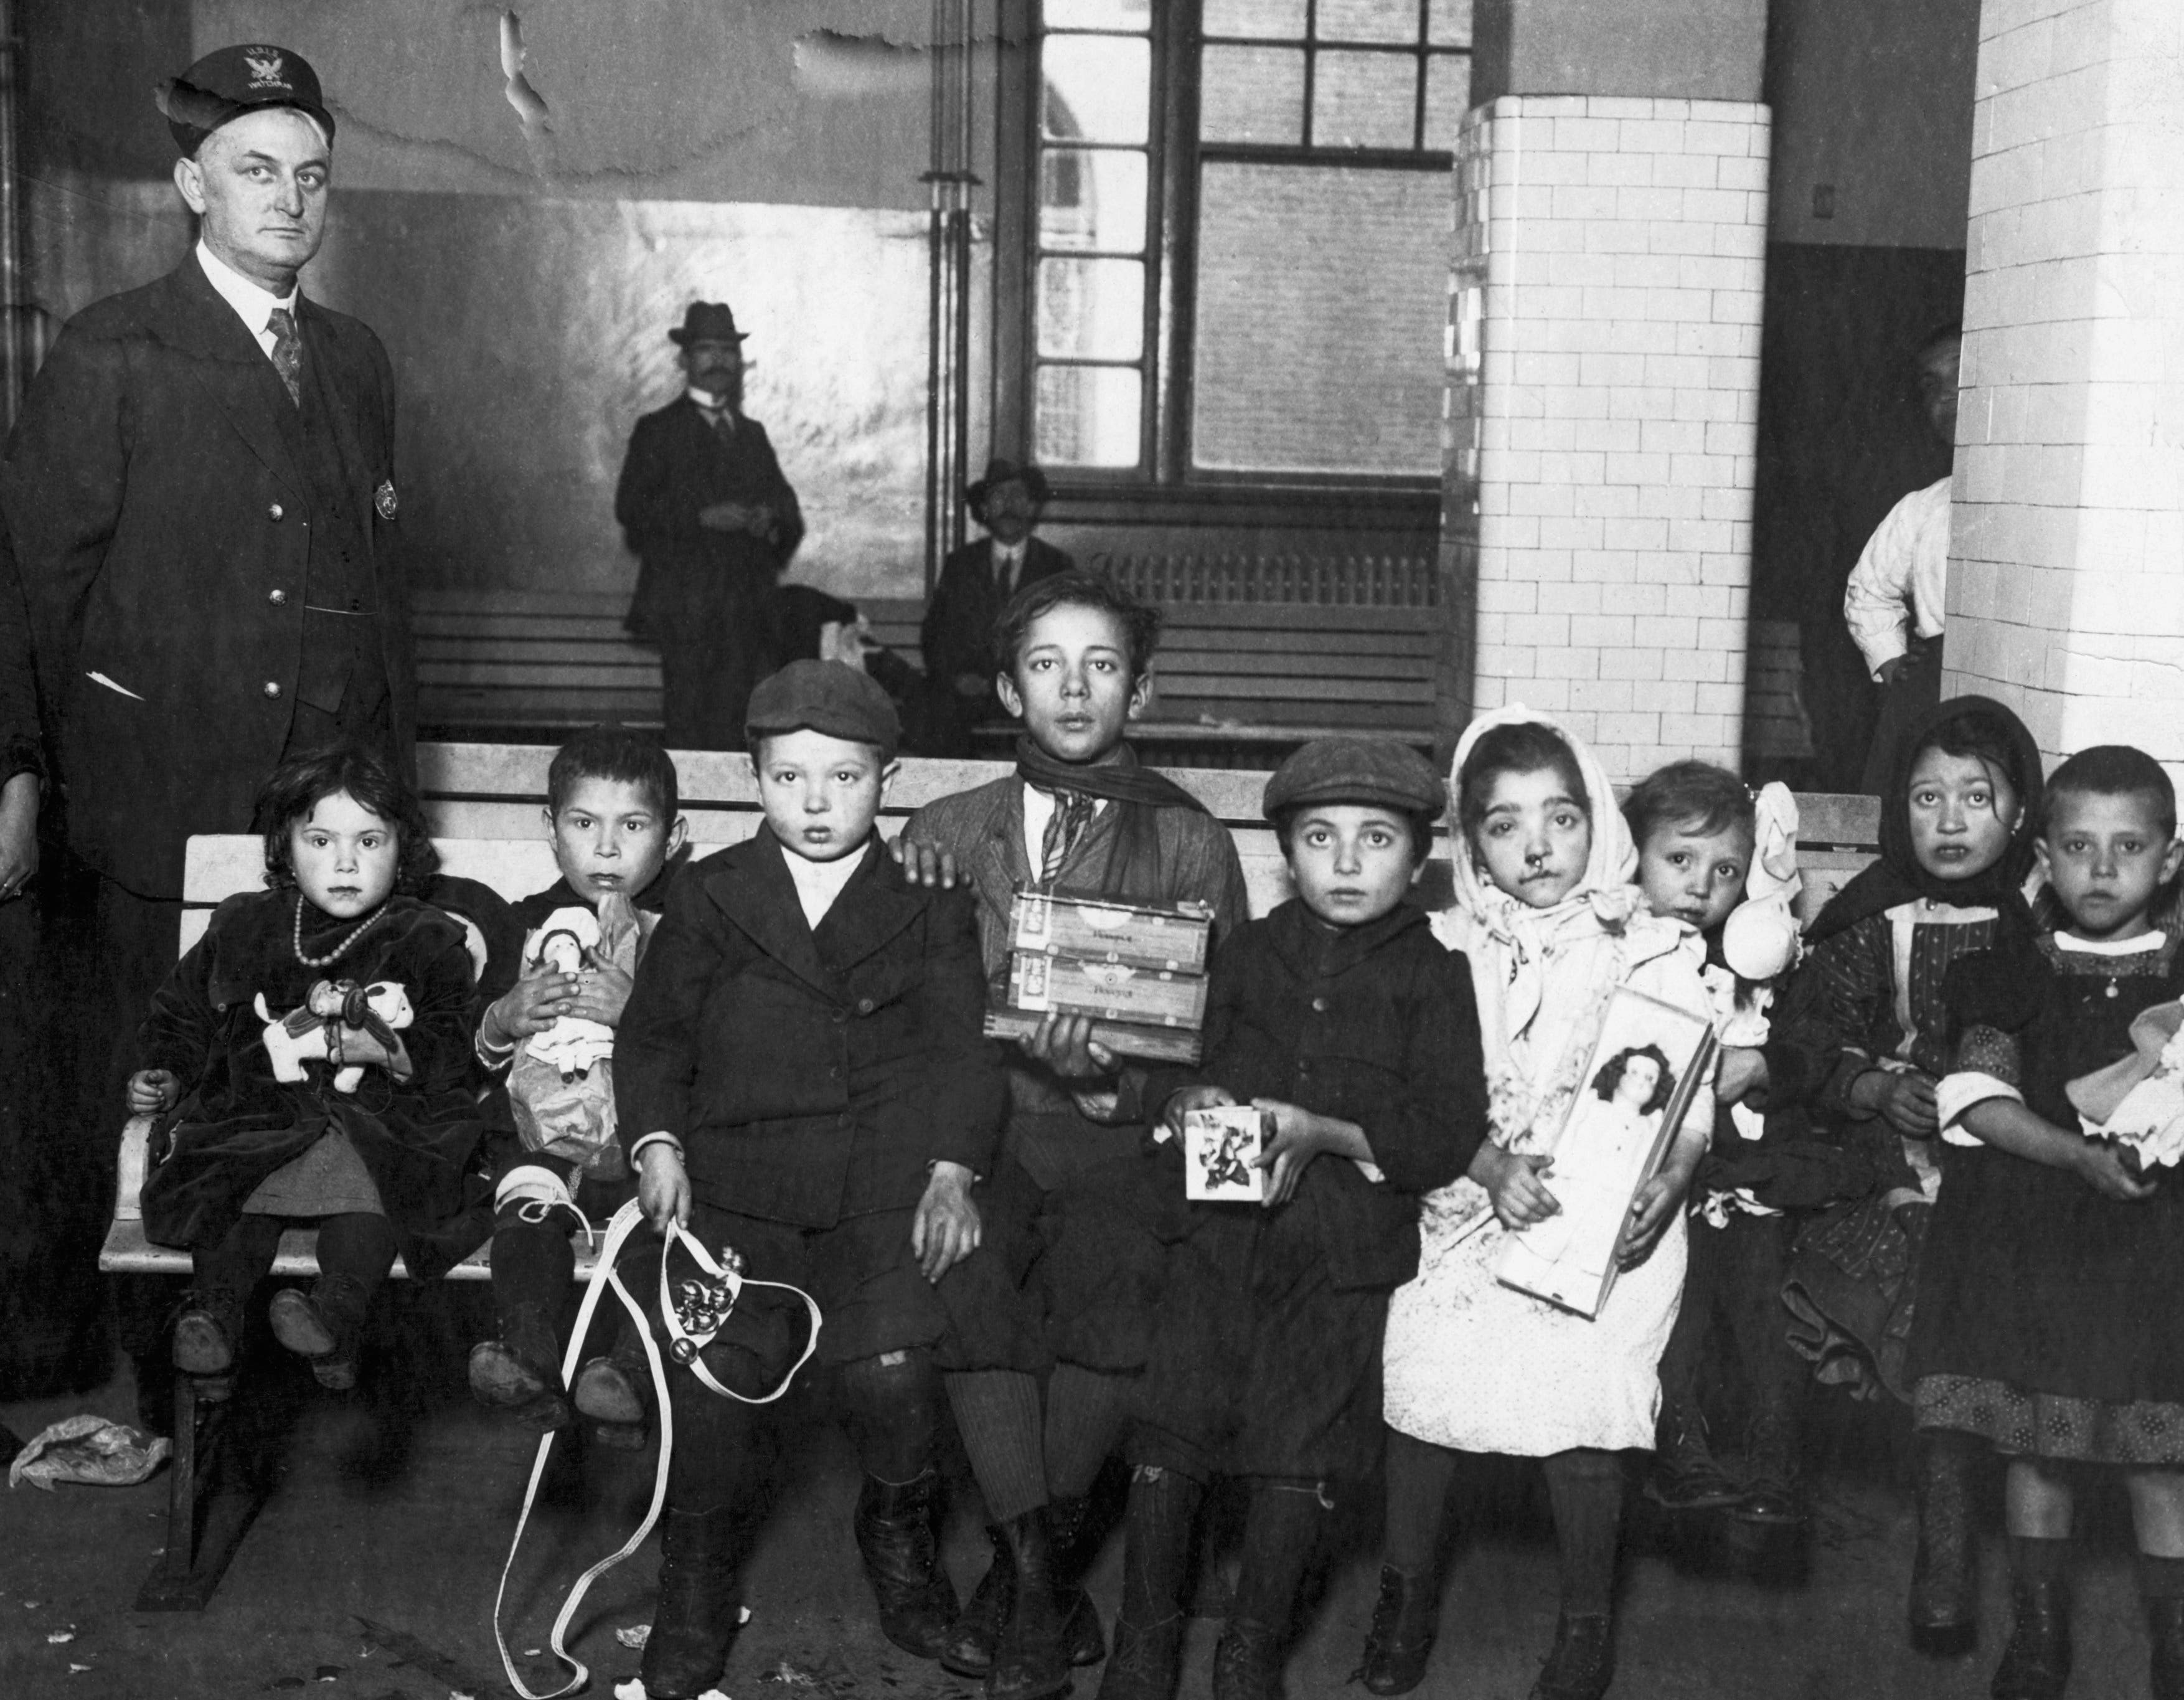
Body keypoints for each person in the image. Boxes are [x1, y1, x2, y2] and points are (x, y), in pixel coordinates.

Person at [614, 661, 1017, 1700]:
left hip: (879, 1193)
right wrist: (656, 1146)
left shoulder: (927, 898)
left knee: (894, 1377)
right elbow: (653, 1042)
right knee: (711, 1392)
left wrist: (951, 1172)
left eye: (844, 778)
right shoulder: (709, 897)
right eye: (789, 778)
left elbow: (963, 1053)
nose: (816, 802)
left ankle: (897, 1540)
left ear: (888, 778)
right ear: (752, 779)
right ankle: (694, 1578)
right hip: (735, 1195)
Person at [899, 572, 1249, 1699]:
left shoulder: (1189, 841)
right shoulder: (943, 834)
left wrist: (1118, 1084)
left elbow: (1223, 1037)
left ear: (1137, 690)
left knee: (1110, 1303)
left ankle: (1017, 1587)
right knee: (969, 1281)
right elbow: (913, 1014)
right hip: (983, 1136)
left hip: (1118, 1135)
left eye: (1100, 664)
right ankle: (1039, 1579)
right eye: (1046, 664)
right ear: (1007, 686)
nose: (1073, 686)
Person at [1106, 738, 1487, 1700]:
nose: (1348, 863)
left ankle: (1250, 1655)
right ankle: (1143, 1644)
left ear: (1418, 857)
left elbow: (1445, 1133)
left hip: (1340, 1255)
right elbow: (1168, 1063)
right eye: (1321, 838)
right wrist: (1187, 1097)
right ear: (1288, 851)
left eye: (1377, 839)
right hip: (1218, 1235)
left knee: (1297, 1447)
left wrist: (1325, 1130)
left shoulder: (1435, 974)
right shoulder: (1244, 951)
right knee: (1173, 1426)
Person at [1363, 707, 1715, 1700]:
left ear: (1596, 819)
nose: (1538, 846)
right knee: (1422, 1378)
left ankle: (1586, 1618)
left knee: (1580, 1402)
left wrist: (1677, 1168)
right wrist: (1481, 1165)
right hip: (1468, 1198)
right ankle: (1406, 1590)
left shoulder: (1651, 947)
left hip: (1607, 1218)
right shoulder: (1441, 946)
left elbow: (1694, 1092)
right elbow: (1414, 1095)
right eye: (1505, 823)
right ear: (1471, 840)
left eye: (1560, 818)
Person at [1770, 695, 2042, 1657]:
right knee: (1911, 1277)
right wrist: (1877, 1085)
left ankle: (1950, 1538)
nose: (1953, 818)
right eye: (1929, 796)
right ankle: (1935, 1539)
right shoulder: (1872, 919)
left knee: (1974, 1297)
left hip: (2008, 1169)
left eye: (1979, 795)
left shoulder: (2038, 927)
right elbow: (1802, 1042)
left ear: (2020, 814)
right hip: (1885, 1161)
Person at [1912, 745, 2184, 1700]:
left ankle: (2174, 1650)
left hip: (2157, 1252)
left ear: (2170, 857)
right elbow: (1979, 1097)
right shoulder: (2007, 973)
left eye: (2129, 847)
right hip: (2035, 1239)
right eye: (2078, 846)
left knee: (2162, 1455)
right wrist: (2074, 1153)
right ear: (2045, 857)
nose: (2102, 871)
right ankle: (2036, 1640)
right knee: (2041, 1443)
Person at [130, 745, 493, 1392]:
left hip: (381, 1121)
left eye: (370, 841)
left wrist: (389, 1051)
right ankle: (213, 1317)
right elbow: (184, 1014)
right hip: (258, 1114)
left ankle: (336, 1314)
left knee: (376, 1189)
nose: (345, 862)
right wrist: (169, 1072)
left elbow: (452, 1039)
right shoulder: (247, 926)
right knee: (231, 1189)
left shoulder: (426, 937)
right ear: (285, 846)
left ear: (403, 847)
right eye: (320, 840)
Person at [1624, 763, 1867, 1531]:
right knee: (1677, 1314)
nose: (1701, 886)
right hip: (1653, 1180)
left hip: (1748, 1176)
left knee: (1766, 1307)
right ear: (1632, 859)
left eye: (1724, 869)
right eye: (1679, 861)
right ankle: (1680, 1448)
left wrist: (1766, 1065)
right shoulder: (1618, 954)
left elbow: (1817, 1051)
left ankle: (1774, 1459)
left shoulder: (1764, 962)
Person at [466, 727, 687, 1439]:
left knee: (665, 1227)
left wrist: (640, 1012)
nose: (608, 848)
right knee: (526, 1210)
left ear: (674, 836)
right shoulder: (521, 923)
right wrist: (503, 1018)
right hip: (548, 1139)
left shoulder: (689, 932)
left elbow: (720, 1048)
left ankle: (625, 1369)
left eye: (633, 825)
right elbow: (473, 1055)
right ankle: (527, 1349)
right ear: (550, 829)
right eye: (584, 823)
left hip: (646, 1141)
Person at [615, 301, 804, 750]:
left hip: (745, 609)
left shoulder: (751, 434)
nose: (718, 360)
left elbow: (789, 513)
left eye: (727, 350)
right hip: (684, 608)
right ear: (684, 360)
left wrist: (769, 519)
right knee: (687, 730)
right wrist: (701, 517)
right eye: (706, 349)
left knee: (736, 733)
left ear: (739, 363)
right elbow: (631, 510)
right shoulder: (657, 430)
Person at [1845, 325, 1962, 796]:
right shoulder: (1924, 506)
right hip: (1928, 682)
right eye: (1932, 386)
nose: (1947, 395)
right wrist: (1895, 666)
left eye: (1961, 375)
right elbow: (1867, 591)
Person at [920, 458, 1075, 757]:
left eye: (1018, 497)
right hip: (970, 697)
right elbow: (935, 636)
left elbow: (1067, 640)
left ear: (1032, 507)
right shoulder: (960, 565)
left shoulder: (1056, 566)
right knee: (939, 714)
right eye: (998, 497)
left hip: (1035, 693)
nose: (1008, 506)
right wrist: (956, 678)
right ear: (985, 509)